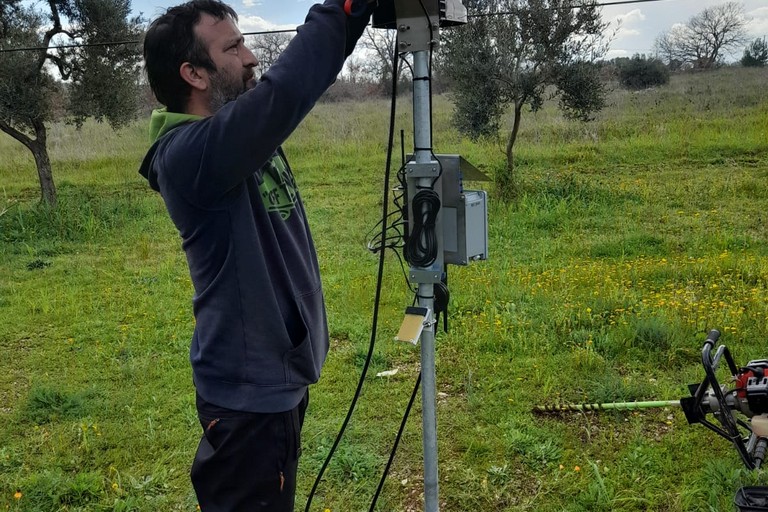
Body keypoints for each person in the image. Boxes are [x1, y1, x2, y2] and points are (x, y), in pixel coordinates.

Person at [138, 0, 375, 510]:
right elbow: (283, 93)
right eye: (233, 46)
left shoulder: (230, 131)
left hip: (276, 377)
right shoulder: (190, 156)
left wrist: (352, 21)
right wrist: (341, 10)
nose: (250, 57)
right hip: (247, 400)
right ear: (193, 73)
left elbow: (289, 92)